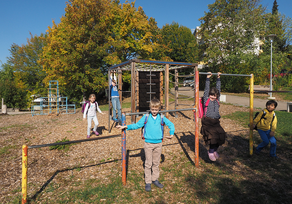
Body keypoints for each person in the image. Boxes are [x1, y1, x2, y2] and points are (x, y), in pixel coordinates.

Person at [116, 98, 175, 192]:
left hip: (158, 144)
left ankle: (155, 179)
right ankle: (148, 181)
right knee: (148, 163)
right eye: (152, 109)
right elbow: (137, 125)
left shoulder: (162, 117)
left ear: (159, 109)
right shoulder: (146, 117)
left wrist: (172, 134)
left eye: (156, 110)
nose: (154, 111)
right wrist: (126, 126)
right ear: (150, 108)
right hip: (148, 144)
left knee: (156, 163)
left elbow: (171, 124)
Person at [200, 72, 226, 161]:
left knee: (221, 136)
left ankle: (214, 150)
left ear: (217, 96)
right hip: (207, 122)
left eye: (214, 95)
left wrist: (218, 78)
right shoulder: (206, 101)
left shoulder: (217, 100)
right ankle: (210, 152)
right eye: (211, 95)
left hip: (216, 122)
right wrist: (208, 78)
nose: (212, 97)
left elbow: (218, 89)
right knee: (212, 137)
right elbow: (206, 90)